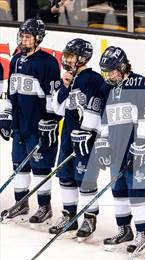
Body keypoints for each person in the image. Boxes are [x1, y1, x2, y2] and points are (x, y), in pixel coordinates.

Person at [95, 46, 145, 253]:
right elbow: (104, 119)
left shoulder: (140, 84)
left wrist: (142, 146)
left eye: (112, 71)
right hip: (116, 148)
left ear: (122, 67)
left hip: (137, 148)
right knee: (119, 190)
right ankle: (124, 230)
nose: (109, 75)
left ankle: (143, 233)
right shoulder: (107, 88)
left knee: (136, 191)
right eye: (106, 72)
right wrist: (103, 143)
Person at [0, 18, 61, 224]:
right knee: (19, 166)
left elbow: (53, 97)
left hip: (38, 126)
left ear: (38, 38)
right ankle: (21, 203)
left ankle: (45, 206)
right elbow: (12, 92)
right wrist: (6, 116)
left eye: (28, 37)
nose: (23, 40)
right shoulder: (16, 59)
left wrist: (51, 121)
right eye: (22, 36)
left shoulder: (49, 63)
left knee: (41, 168)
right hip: (19, 124)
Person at [46, 38, 104, 240]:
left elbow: (97, 107)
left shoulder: (93, 79)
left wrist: (88, 133)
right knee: (65, 177)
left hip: (86, 139)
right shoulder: (70, 79)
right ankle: (69, 216)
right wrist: (64, 86)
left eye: (71, 56)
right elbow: (58, 108)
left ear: (83, 58)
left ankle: (90, 217)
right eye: (67, 55)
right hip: (68, 137)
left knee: (84, 180)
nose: (67, 59)